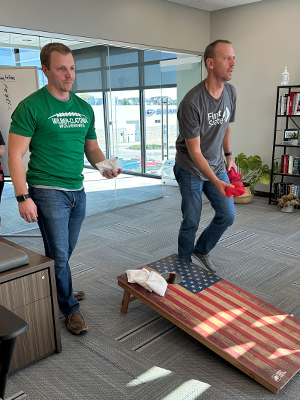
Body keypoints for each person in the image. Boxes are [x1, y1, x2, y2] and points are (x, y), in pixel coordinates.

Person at [8, 43, 122, 335]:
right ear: (45, 70)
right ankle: (70, 309)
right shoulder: (31, 106)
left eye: (71, 67)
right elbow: (14, 155)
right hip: (47, 190)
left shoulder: (84, 108)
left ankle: (61, 287)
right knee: (59, 254)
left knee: (64, 252)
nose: (69, 74)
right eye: (61, 68)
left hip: (77, 191)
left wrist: (104, 165)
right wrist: (22, 197)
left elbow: (92, 149)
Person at [173, 39, 237, 273]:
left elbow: (226, 125)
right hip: (190, 167)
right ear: (210, 63)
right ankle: (182, 266)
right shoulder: (192, 102)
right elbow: (195, 151)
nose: (233, 63)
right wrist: (215, 180)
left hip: (216, 164)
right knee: (191, 220)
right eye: (227, 58)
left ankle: (201, 249)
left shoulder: (230, 92)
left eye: (233, 58)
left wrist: (228, 156)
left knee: (228, 215)